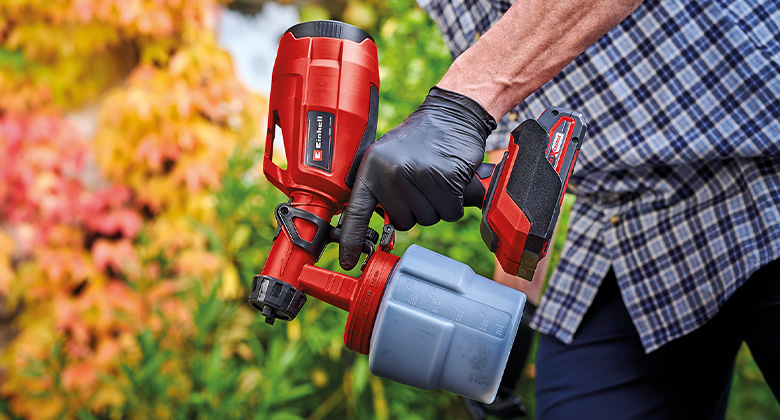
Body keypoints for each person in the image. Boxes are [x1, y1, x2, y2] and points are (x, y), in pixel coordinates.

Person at [338, 0, 780, 418]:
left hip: (759, 175)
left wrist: (460, 104)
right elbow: (512, 138)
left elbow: (483, 92)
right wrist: (512, 314)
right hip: (625, 230)